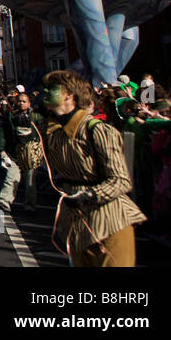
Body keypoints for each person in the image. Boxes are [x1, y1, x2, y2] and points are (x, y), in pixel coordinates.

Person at [41, 70, 146, 267]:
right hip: (78, 225)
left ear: (69, 95)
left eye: (52, 88)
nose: (46, 91)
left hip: (110, 221)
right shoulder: (55, 133)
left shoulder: (97, 130)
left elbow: (121, 180)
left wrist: (89, 196)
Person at [0, 92, 43, 212]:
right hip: (13, 153)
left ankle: (30, 204)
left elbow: (43, 132)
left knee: (30, 181)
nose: (21, 103)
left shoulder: (36, 117)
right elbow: (2, 132)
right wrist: (1, 149)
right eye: (19, 101)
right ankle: (4, 201)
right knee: (12, 177)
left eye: (24, 101)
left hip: (30, 154)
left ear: (29, 103)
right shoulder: (10, 116)